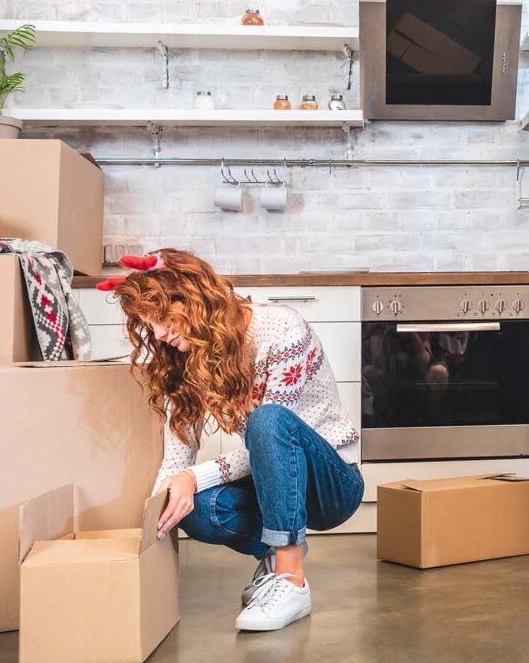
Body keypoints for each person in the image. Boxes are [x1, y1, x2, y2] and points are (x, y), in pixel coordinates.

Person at [100, 249, 363, 632]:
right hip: (270, 484)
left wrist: (195, 478)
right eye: (148, 324)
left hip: (331, 485)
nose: (158, 334)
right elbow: (177, 459)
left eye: (161, 318)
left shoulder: (281, 329)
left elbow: (269, 437)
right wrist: (147, 535)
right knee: (193, 508)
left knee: (266, 420)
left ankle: (292, 580)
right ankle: (275, 558)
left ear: (194, 298)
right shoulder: (187, 355)